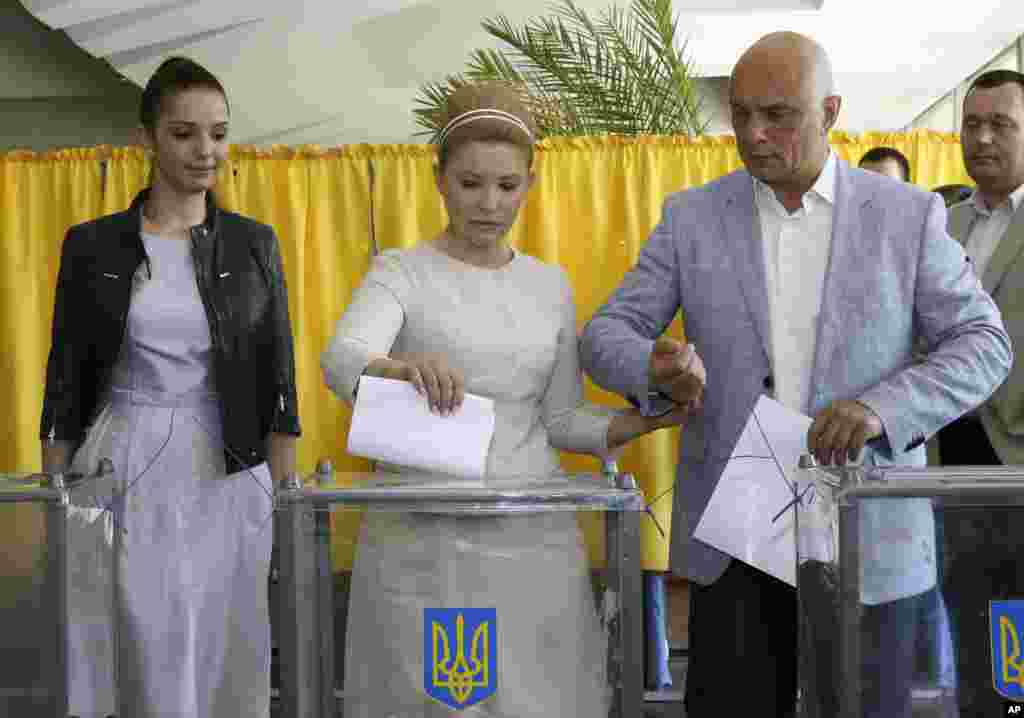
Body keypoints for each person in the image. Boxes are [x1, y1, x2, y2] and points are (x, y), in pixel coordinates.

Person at [578, 31, 1011, 718]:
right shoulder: (691, 218)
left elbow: (984, 345)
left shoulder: (907, 215)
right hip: (736, 532)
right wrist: (657, 370)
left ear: (829, 112)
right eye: (741, 113)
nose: (753, 134)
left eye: (777, 114)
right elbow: (603, 337)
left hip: (868, 528)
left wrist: (881, 409)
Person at [320, 82, 689, 717]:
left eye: (507, 186)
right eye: (470, 184)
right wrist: (397, 366)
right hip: (421, 539)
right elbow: (341, 359)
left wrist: (638, 422)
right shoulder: (401, 271)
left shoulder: (549, 285)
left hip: (532, 535)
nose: (489, 204)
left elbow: (561, 418)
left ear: (530, 185)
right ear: (438, 181)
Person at [39, 56, 300, 717]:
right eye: (184, 133)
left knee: (223, 632)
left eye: (217, 132)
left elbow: (280, 377)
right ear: (147, 138)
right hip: (122, 455)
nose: (204, 150)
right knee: (132, 632)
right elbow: (65, 376)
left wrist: (284, 495)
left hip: (231, 464)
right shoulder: (92, 246)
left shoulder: (253, 245)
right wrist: (56, 494)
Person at [939, 68, 1024, 714]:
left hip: (1018, 458)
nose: (983, 138)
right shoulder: (939, 223)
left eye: (1002, 124)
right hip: (948, 463)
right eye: (972, 124)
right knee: (974, 621)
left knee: (1019, 631)